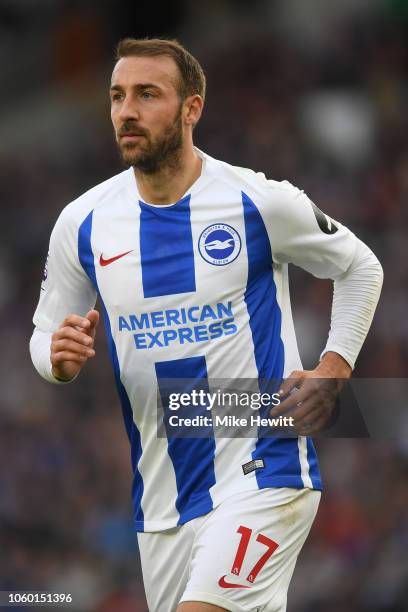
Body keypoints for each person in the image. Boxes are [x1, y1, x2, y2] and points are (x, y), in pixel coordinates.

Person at [30, 38, 383, 612]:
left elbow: (360, 267)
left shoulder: (258, 202)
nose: (127, 110)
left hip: (264, 468)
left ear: (192, 109)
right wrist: (58, 360)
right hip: (162, 503)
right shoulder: (82, 223)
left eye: (148, 94)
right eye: (117, 96)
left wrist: (335, 366)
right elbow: (45, 337)